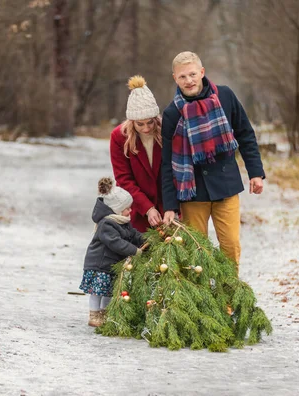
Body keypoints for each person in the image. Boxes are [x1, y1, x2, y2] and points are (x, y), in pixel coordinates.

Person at [161, 51, 265, 276]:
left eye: (192, 74)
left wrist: (255, 173)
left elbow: (245, 134)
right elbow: (167, 163)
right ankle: (201, 305)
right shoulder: (171, 113)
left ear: (202, 72)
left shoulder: (225, 96)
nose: (188, 80)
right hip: (192, 194)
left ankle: (228, 302)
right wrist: (169, 206)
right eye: (182, 77)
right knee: (195, 253)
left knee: (230, 246)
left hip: (226, 187)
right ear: (175, 79)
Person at [79, 177, 144, 327]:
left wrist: (145, 240)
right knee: (97, 292)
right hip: (99, 265)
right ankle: (94, 315)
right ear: (117, 209)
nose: (130, 211)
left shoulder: (122, 221)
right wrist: (135, 251)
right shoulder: (107, 224)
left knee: (109, 292)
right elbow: (116, 243)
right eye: (127, 208)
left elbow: (133, 235)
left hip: (111, 265)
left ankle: (105, 313)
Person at [110, 75, 164, 232]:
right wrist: (147, 208)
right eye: (140, 124)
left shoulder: (166, 132)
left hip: (166, 207)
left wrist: (171, 208)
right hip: (137, 207)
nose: (146, 128)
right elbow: (123, 179)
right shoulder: (119, 137)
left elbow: (172, 173)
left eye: (150, 122)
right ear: (132, 121)